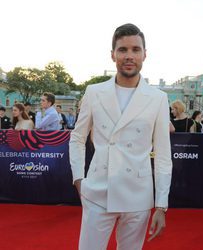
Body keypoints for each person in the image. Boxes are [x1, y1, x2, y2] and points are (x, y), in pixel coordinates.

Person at [69, 23, 173, 250]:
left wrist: (161, 205)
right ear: (112, 54)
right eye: (123, 50)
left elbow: (164, 154)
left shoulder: (158, 98)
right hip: (97, 190)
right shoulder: (94, 92)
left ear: (145, 54)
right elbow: (77, 138)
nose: (129, 56)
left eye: (135, 49)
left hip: (138, 194)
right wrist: (79, 178)